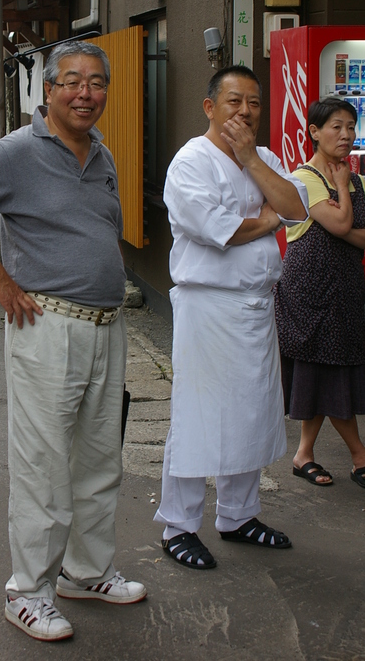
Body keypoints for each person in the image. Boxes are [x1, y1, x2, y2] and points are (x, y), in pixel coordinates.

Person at [0, 41, 146, 642]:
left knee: (98, 461)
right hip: (46, 326)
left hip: (107, 327)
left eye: (97, 83)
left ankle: (87, 571)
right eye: (72, 81)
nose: (85, 93)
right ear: (47, 90)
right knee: (43, 465)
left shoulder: (101, 155)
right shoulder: (17, 152)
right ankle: (28, 591)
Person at [154, 65, 309, 569]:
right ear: (210, 107)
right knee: (198, 417)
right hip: (209, 308)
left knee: (253, 413)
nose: (245, 112)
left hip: (258, 306)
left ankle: (238, 515)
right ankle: (178, 525)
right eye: (234, 101)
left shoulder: (261, 156)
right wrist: (269, 219)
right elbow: (215, 227)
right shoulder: (190, 162)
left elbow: (296, 205)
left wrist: (251, 161)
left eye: (254, 104)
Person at [274, 97, 365, 489]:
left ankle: (303, 454)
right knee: (327, 371)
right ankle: (360, 456)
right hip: (310, 292)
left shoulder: (357, 178)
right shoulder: (304, 177)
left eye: (351, 126)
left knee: (327, 373)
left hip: (344, 291)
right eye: (336, 127)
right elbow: (343, 225)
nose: (345, 135)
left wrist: (345, 193)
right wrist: (342, 187)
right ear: (314, 132)